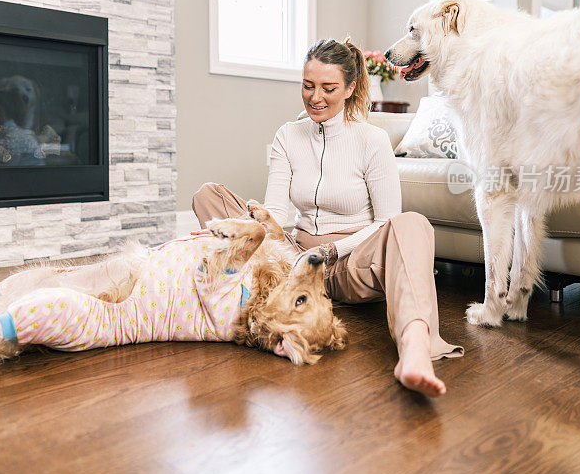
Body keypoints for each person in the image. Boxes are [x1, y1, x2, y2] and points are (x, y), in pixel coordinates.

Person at [192, 38, 463, 397]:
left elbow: (385, 222)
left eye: (328, 88)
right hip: (295, 261)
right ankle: (252, 302)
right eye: (308, 86)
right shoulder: (288, 136)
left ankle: (414, 349)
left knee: (412, 223)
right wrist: (265, 225)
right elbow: (277, 212)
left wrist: (333, 252)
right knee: (208, 195)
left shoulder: (372, 140)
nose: (315, 97)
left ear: (350, 88)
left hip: (352, 262)